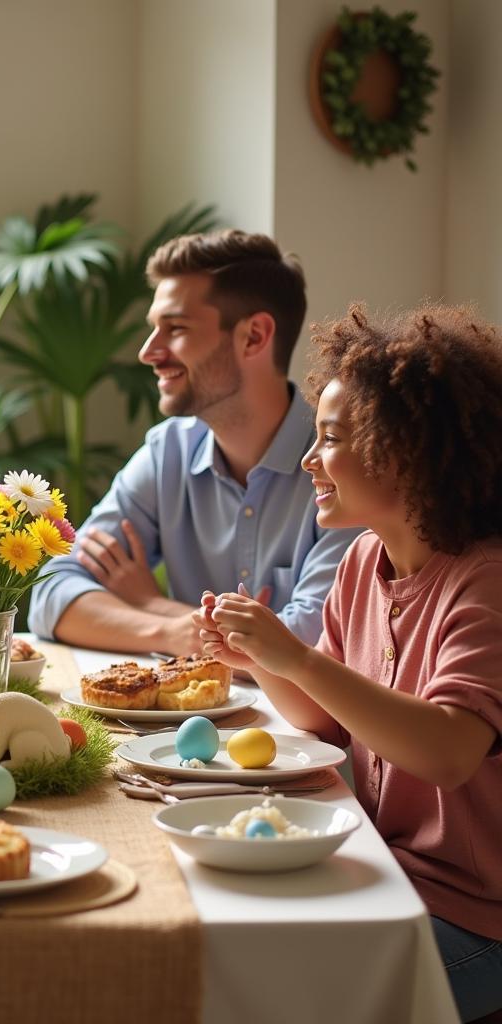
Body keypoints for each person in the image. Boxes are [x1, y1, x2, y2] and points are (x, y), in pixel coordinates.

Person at [196, 304, 502, 1023]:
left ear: (405, 451)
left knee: (271, 1000)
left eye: (331, 439)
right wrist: (260, 659)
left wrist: (297, 657)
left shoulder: (484, 581)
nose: (308, 460)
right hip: (385, 874)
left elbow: (449, 750)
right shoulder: (367, 560)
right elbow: (325, 717)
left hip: (477, 919)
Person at [28, 228, 361, 655]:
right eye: (154, 329)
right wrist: (169, 632)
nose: (149, 351)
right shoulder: (168, 451)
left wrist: (150, 603)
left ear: (254, 336)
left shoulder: (342, 465)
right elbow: (52, 594)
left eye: (176, 328)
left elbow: (310, 642)